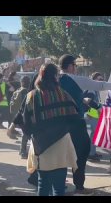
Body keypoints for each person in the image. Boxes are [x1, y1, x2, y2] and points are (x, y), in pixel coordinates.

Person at [58, 54, 111, 195]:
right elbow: (99, 85)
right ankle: (79, 186)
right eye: (75, 65)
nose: (76, 68)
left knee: (60, 154)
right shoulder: (75, 79)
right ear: (70, 66)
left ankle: (60, 184)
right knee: (82, 152)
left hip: (58, 123)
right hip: (75, 122)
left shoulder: (55, 79)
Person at [23, 63, 78, 196]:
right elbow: (74, 116)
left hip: (41, 145)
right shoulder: (63, 94)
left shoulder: (32, 96)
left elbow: (26, 122)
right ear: (55, 76)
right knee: (59, 188)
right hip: (61, 144)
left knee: (43, 185)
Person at [9, 76, 31, 158]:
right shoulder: (25, 91)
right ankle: (23, 152)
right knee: (26, 133)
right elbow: (25, 103)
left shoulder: (18, 90)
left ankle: (22, 151)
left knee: (25, 132)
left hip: (17, 113)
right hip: (23, 114)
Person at [83, 72, 104, 161]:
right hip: (91, 114)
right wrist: (90, 112)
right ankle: (91, 153)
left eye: (102, 80)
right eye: (99, 80)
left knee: (93, 133)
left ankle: (92, 152)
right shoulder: (91, 89)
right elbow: (88, 101)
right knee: (94, 133)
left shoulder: (94, 89)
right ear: (94, 80)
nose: (100, 82)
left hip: (92, 113)